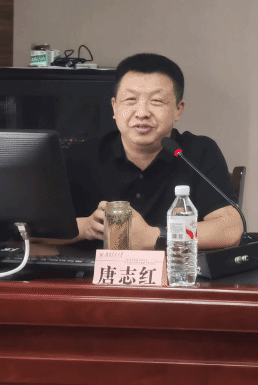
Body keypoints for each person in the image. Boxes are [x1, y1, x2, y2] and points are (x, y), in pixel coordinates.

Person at [64, 52, 243, 251]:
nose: (142, 113)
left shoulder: (198, 152)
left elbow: (230, 229)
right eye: (130, 99)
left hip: (177, 269)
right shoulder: (80, 156)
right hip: (96, 271)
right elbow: (39, 230)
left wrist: (154, 236)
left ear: (178, 110)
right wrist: (85, 227)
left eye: (156, 101)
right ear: (114, 107)